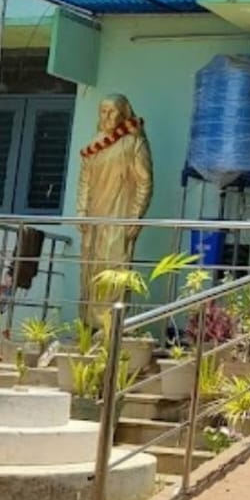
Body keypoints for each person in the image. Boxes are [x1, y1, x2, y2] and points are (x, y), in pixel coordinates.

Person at [76, 94, 153, 326]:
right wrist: (81, 212)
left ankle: (109, 328)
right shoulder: (95, 144)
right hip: (93, 222)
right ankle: (88, 328)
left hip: (119, 218)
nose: (107, 116)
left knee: (114, 273)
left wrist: (135, 216)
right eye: (103, 111)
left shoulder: (133, 144)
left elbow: (144, 182)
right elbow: (84, 181)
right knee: (89, 272)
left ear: (123, 113)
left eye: (112, 111)